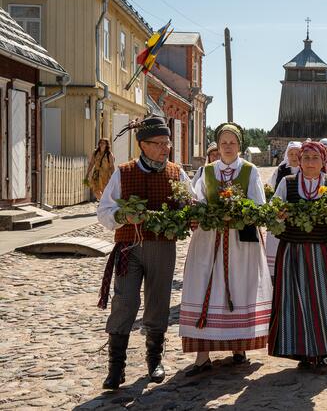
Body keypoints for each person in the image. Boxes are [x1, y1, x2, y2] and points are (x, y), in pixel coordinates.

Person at [96, 116, 190, 389]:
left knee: (158, 300)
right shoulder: (123, 172)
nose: (165, 148)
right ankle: (116, 368)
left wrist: (185, 216)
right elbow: (104, 210)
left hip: (162, 245)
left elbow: (190, 202)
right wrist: (125, 216)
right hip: (129, 247)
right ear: (142, 144)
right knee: (124, 301)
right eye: (159, 143)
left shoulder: (176, 172)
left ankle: (154, 360)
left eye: (167, 142)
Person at [179, 123, 272, 376]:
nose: (228, 147)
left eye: (232, 143)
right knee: (204, 288)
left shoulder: (249, 170)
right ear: (217, 147)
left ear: (239, 145)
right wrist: (200, 212)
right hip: (209, 241)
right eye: (223, 143)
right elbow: (198, 202)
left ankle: (238, 348)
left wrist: (239, 213)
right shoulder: (207, 172)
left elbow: (258, 205)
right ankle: (202, 355)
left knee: (239, 288)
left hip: (240, 242)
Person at [268, 142, 327, 373]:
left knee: (324, 299)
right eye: (305, 157)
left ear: (323, 160)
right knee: (295, 301)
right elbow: (272, 212)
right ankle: (302, 351)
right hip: (293, 251)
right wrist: (279, 215)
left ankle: (323, 350)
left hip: (323, 251)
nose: (309, 162)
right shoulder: (288, 183)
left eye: (314, 158)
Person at [264, 141, 302, 277]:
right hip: (282, 209)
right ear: (287, 154)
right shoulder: (281, 169)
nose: (294, 156)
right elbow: (271, 185)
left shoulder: (306, 169)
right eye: (291, 153)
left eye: (297, 153)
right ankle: (277, 269)